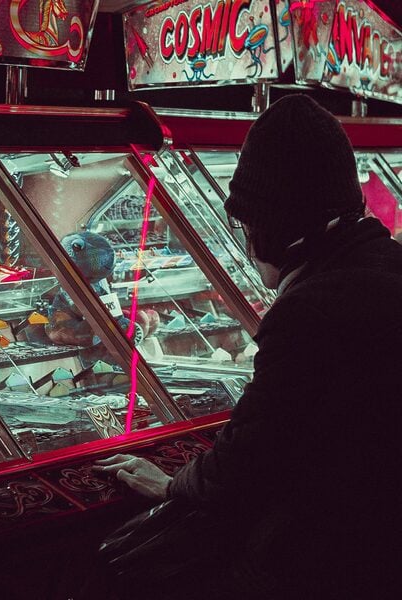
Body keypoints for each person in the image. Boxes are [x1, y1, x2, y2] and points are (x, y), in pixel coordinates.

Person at [92, 94, 402, 599]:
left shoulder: (311, 311)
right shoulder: (386, 264)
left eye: (248, 225)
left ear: (274, 228)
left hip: (339, 560)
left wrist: (171, 483)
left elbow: (250, 460)